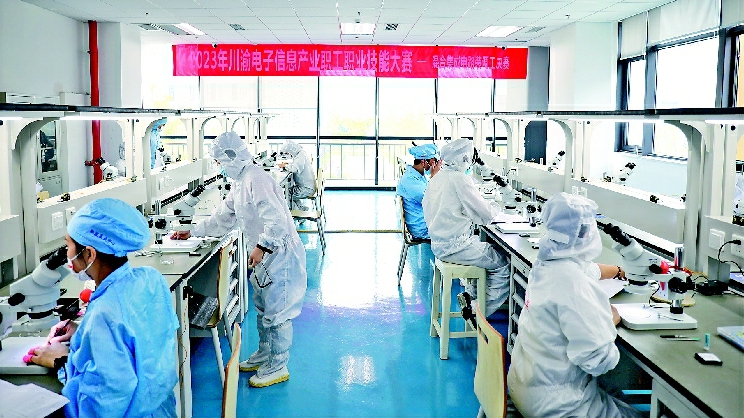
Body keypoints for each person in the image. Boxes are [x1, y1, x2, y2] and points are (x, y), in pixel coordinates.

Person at [172, 131, 307, 387]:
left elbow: (277, 222)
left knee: (278, 313)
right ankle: (265, 354)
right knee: (264, 308)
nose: (219, 167)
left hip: (279, 255)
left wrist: (262, 247)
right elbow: (223, 217)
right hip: (264, 256)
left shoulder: (257, 179)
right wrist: (193, 231)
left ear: (231, 157)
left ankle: (278, 365)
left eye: (219, 162)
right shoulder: (241, 181)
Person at [30, 198, 179, 417]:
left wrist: (62, 362)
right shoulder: (150, 279)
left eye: (68, 246)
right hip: (160, 409)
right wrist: (83, 333)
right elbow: (136, 342)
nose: (67, 255)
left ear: (89, 254)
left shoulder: (104, 314)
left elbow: (101, 407)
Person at [507, 192, 640, 418]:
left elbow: (588, 269)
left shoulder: (545, 264)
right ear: (588, 232)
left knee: (615, 397)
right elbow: (599, 362)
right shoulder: (575, 284)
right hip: (559, 404)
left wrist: (618, 271)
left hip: (524, 387)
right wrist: (610, 320)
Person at [422, 138, 511, 317]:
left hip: (439, 244)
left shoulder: (438, 177)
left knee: (485, 255)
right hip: (456, 246)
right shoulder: (460, 179)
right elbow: (485, 214)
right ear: (464, 158)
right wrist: (499, 208)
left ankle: (470, 297)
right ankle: (478, 311)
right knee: (503, 264)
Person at [396, 143, 440, 240]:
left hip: (424, 220)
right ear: (424, 162)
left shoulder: (418, 176)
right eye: (434, 162)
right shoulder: (410, 180)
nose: (435, 165)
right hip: (422, 227)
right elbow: (431, 201)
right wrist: (434, 177)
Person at [278, 139, 316, 211]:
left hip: (306, 189)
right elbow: (296, 165)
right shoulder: (301, 153)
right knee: (289, 190)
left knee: (286, 193)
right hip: (308, 186)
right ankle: (299, 209)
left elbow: (294, 169)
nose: (288, 154)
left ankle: (293, 212)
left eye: (287, 153)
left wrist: (284, 166)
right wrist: (287, 164)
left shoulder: (300, 156)